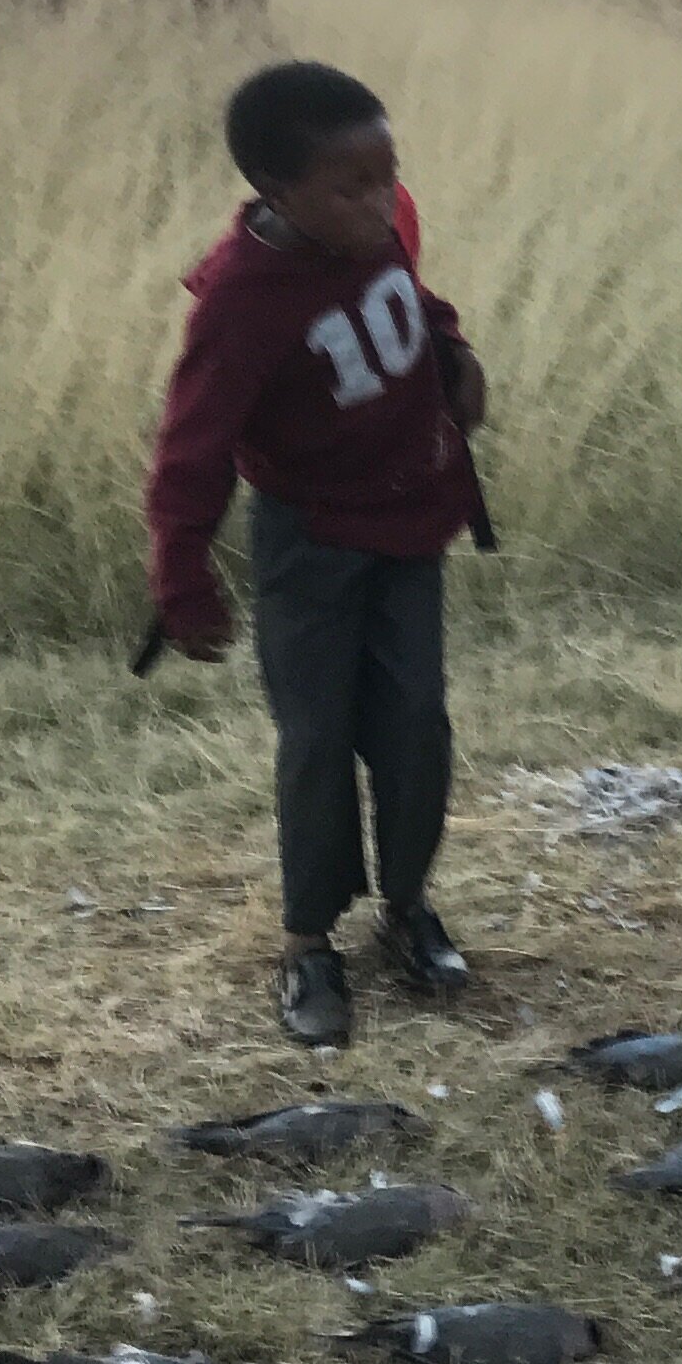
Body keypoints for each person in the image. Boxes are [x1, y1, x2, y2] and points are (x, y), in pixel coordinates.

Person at [145, 60, 488, 1050]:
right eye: (355, 187)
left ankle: (409, 906)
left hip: (410, 523)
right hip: (313, 545)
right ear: (279, 193)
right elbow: (193, 444)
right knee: (317, 739)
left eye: (389, 176)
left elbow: (415, 307)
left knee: (416, 720)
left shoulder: (376, 231)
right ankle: (307, 944)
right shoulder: (244, 301)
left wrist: (455, 361)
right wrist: (182, 569)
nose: (385, 203)